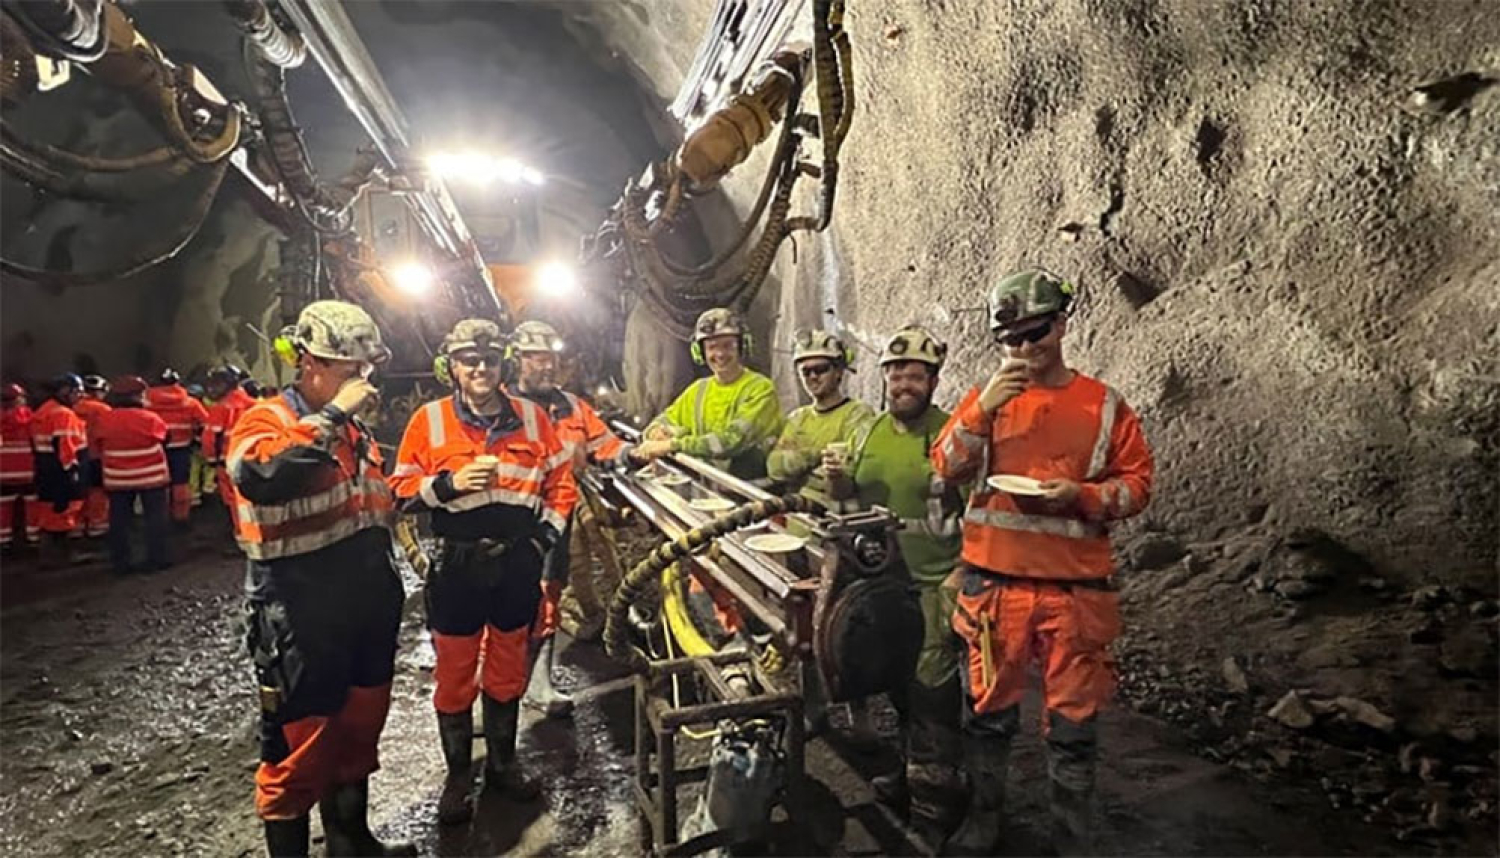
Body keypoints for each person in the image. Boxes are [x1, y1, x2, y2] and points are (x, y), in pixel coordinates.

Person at [932, 269, 1154, 856]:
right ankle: (984, 821)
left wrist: (1080, 495)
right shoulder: (987, 399)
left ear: (1061, 324)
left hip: (1075, 590)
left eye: (1036, 332)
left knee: (1075, 722)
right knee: (988, 714)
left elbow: (1137, 485)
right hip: (996, 588)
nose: (1026, 348)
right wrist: (981, 411)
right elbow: (946, 467)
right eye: (1012, 338)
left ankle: (1070, 835)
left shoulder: (1103, 405)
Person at [226, 301, 412, 857]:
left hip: (363, 602)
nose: (360, 381)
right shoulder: (267, 419)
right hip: (300, 608)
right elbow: (261, 475)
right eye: (346, 369)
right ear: (306, 361)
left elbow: (372, 502)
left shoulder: (353, 430)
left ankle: (351, 844)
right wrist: (332, 419)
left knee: (358, 728)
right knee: (298, 745)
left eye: (364, 370)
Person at [390, 318, 578, 826]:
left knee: (506, 669)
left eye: (490, 359)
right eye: (469, 360)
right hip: (456, 566)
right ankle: (457, 777)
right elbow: (399, 490)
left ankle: (502, 765)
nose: (480, 368)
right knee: (453, 674)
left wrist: (544, 537)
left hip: (517, 562)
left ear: (504, 365)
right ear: (450, 367)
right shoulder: (428, 422)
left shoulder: (535, 420)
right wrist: (447, 485)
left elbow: (562, 483)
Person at [825, 326, 967, 845]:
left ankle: (934, 810)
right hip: (884, 584)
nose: (904, 383)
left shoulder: (954, 433)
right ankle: (911, 779)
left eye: (916, 375)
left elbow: (982, 512)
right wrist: (839, 487)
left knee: (932, 694)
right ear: (884, 377)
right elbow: (849, 512)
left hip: (934, 584)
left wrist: (962, 574)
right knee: (899, 685)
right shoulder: (867, 434)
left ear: (932, 380)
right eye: (896, 373)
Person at [506, 319, 632, 719]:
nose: (545, 366)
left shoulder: (571, 406)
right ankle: (494, 691)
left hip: (557, 518)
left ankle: (538, 682)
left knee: (548, 598)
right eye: (534, 357)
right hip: (511, 521)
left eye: (550, 358)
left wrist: (637, 453)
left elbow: (604, 444)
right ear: (517, 360)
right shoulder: (502, 407)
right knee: (504, 607)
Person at [635, 308, 784, 480]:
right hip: (708, 487)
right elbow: (665, 419)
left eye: (728, 346)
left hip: (748, 491)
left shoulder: (761, 389)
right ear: (700, 352)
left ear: (742, 346)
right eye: (712, 347)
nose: (720, 354)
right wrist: (657, 432)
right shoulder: (699, 390)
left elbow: (730, 441)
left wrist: (672, 444)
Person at [767, 328, 874, 497]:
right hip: (794, 510)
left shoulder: (857, 414)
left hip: (831, 514)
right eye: (806, 371)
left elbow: (847, 475)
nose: (813, 376)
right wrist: (817, 454)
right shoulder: (798, 417)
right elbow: (775, 468)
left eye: (821, 369)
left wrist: (797, 462)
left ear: (838, 371)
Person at [93, 376, 170, 574]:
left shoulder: (104, 419)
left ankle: (120, 563)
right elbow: (165, 438)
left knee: (119, 521)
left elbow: (96, 445)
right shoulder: (150, 418)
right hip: (151, 478)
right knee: (154, 519)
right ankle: (156, 559)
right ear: (136, 396)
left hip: (118, 479)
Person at [31, 374, 91, 568]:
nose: (80, 396)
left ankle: (47, 555)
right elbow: (65, 445)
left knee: (50, 513)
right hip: (61, 472)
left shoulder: (43, 411)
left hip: (45, 470)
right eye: (77, 391)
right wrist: (71, 472)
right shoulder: (63, 414)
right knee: (64, 514)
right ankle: (61, 556)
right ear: (66, 391)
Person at [146, 368, 209, 526]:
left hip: (155, 449)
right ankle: (181, 517)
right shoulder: (190, 402)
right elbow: (206, 422)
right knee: (180, 483)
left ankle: (160, 517)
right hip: (181, 448)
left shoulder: (146, 402)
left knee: (159, 484)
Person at [202, 365, 256, 526]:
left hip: (227, 461)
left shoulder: (220, 408)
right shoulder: (254, 404)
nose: (212, 388)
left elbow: (209, 438)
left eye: (217, 383)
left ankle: (241, 536)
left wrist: (211, 459)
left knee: (234, 500)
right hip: (253, 459)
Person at [1, 383, 39, 552]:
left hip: (3, 474)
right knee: (32, 506)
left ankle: (4, 540)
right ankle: (33, 538)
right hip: (28, 472)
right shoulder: (31, 418)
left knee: (3, 508)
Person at [73, 375, 113, 540]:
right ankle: (98, 527)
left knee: (79, 493)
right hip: (97, 456)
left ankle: (77, 527)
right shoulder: (103, 410)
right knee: (98, 493)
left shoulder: (72, 408)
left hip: (76, 456)